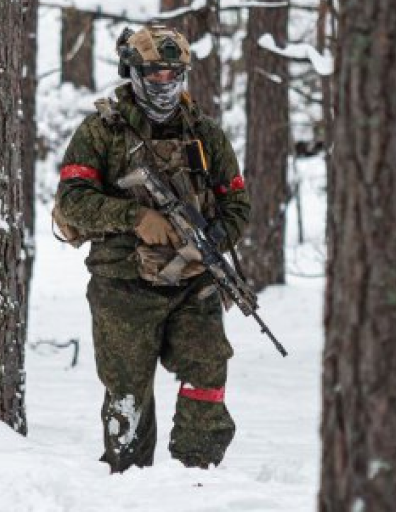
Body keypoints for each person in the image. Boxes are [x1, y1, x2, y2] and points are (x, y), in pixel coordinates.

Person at [54, 25, 251, 472]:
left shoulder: (206, 135)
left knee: (208, 368)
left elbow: (237, 204)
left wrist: (212, 242)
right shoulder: (101, 131)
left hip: (192, 282)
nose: (165, 84)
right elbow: (72, 200)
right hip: (122, 284)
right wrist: (137, 218)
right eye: (155, 74)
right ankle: (128, 483)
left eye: (173, 74)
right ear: (134, 73)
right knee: (128, 393)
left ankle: (195, 477)